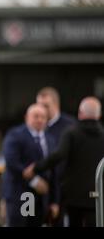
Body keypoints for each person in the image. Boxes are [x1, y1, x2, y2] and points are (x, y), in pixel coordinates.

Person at [24, 97, 104, 227]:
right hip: (98, 193)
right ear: (99, 115)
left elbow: (59, 155)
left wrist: (36, 168)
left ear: (80, 113)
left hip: (73, 196)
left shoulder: (71, 133)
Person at [2, 104, 58, 227]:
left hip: (42, 199)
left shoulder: (50, 139)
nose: (39, 120)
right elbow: (12, 162)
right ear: (26, 117)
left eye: (43, 117)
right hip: (21, 195)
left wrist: (54, 200)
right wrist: (34, 181)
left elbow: (54, 169)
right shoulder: (15, 135)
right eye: (36, 116)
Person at [36, 87, 76, 226]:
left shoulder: (70, 126)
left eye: (46, 105)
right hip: (40, 186)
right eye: (39, 105)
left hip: (64, 187)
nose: (42, 109)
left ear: (56, 105)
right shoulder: (35, 124)